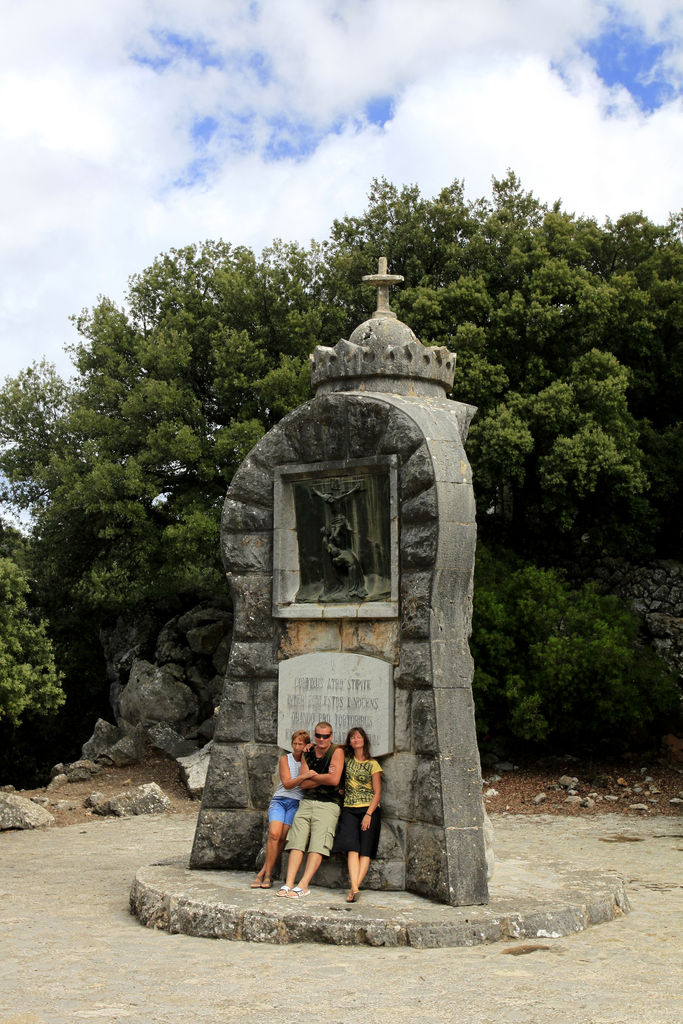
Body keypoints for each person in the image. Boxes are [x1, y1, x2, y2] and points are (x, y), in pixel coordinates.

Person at [275, 721, 344, 899]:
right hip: (307, 801)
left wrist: (314, 776)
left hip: (329, 803)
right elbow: (303, 783)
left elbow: (334, 779)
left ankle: (304, 884)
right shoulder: (308, 752)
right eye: (319, 736)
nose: (322, 739)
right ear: (314, 736)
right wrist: (323, 777)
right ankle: (289, 883)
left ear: (331, 736)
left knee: (318, 843)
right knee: (296, 841)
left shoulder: (337, 751)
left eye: (326, 736)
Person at [250, 729, 315, 889]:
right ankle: (267, 874)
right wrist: (304, 777)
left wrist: (312, 748)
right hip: (280, 800)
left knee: (282, 838)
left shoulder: (309, 760)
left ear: (306, 745)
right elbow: (287, 783)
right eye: (294, 743)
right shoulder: (285, 759)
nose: (297, 747)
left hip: (296, 802)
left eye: (300, 744)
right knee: (274, 834)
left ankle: (265, 873)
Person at [333, 726, 383, 903]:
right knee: (351, 849)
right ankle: (354, 887)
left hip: (368, 810)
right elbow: (330, 749)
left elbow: (377, 792)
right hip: (349, 808)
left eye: (358, 737)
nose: (355, 740)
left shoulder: (373, 764)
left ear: (364, 740)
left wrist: (368, 814)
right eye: (352, 737)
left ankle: (354, 888)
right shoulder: (346, 760)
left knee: (365, 850)